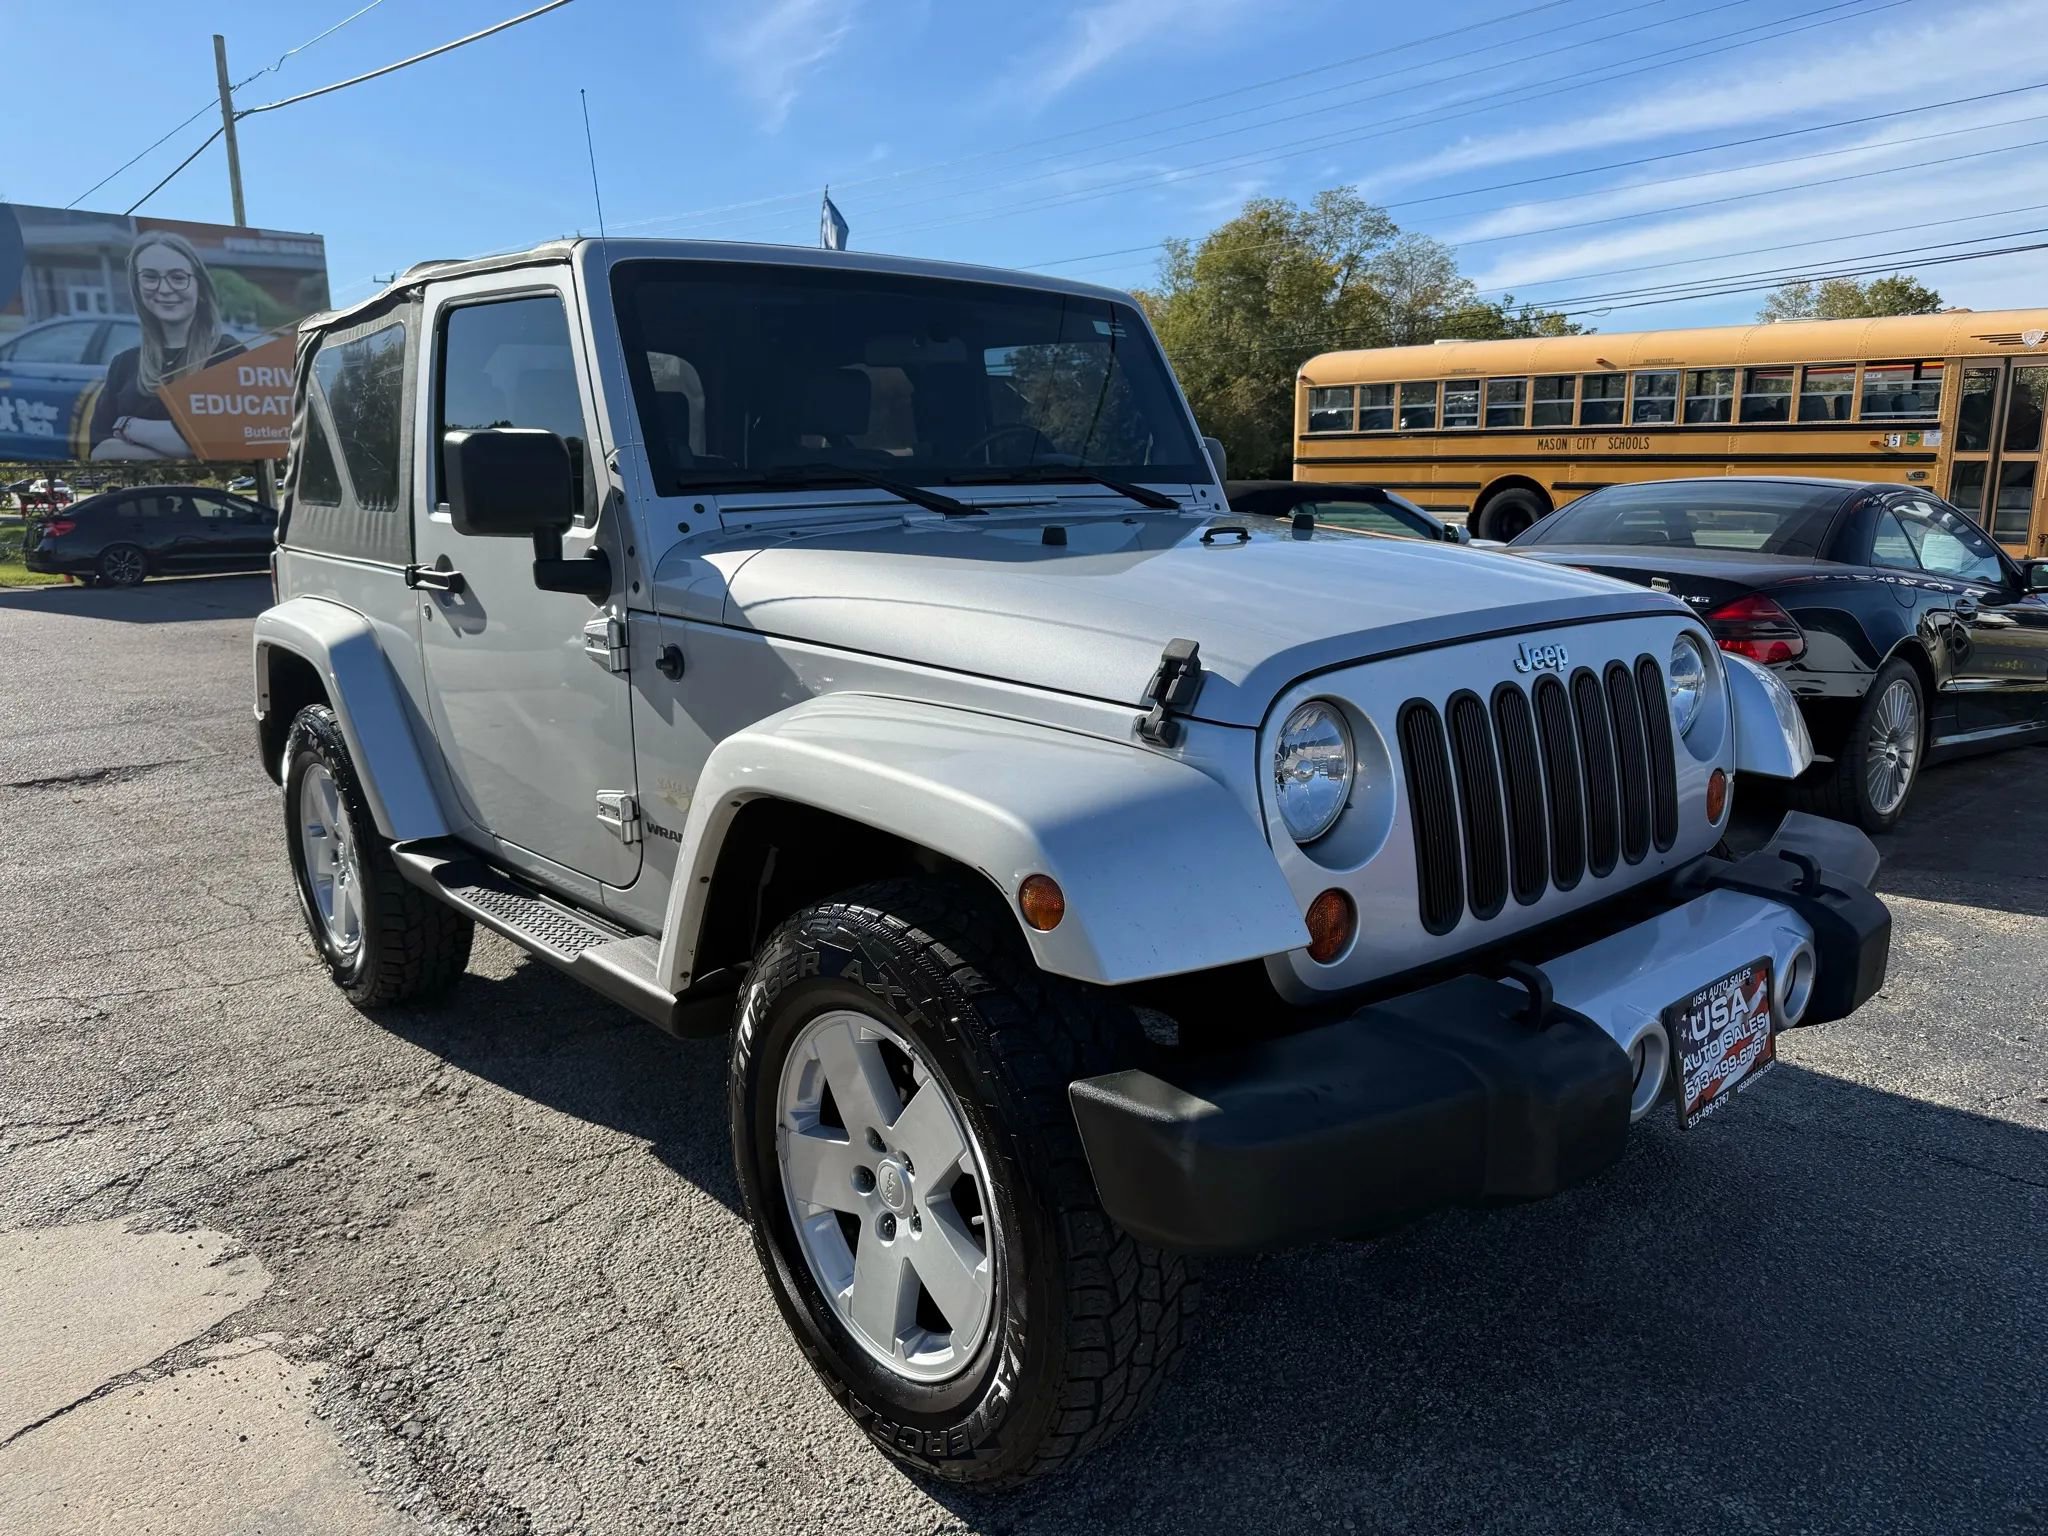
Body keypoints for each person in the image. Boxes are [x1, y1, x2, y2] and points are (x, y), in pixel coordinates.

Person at [89, 231, 244, 460]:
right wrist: (173, 445)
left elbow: (223, 443)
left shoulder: (229, 355)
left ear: (199, 288)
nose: (164, 289)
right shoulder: (124, 364)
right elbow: (98, 450)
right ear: (137, 288)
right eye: (150, 277)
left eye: (178, 277)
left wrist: (129, 426)